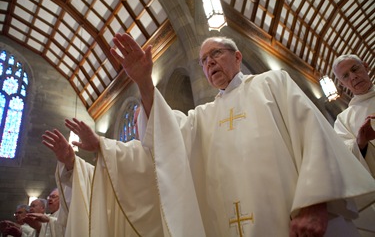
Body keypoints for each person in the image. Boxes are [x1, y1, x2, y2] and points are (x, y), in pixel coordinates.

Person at [110, 33, 375, 236]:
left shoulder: (272, 83)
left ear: (237, 57)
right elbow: (168, 138)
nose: (209, 62)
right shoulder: (202, 116)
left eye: (216, 53)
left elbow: (314, 136)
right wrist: (145, 83)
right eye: (203, 61)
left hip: (298, 223)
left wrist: (315, 202)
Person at [41, 108, 164, 237]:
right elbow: (97, 181)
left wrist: (100, 143)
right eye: (134, 122)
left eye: (139, 120)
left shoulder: (160, 153)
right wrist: (71, 163)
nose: (136, 126)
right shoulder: (129, 153)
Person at [332, 54, 375, 236]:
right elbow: (341, 158)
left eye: (355, 69)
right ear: (343, 84)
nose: (353, 77)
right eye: (345, 76)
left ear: (365, 66)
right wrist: (360, 143)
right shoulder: (343, 120)